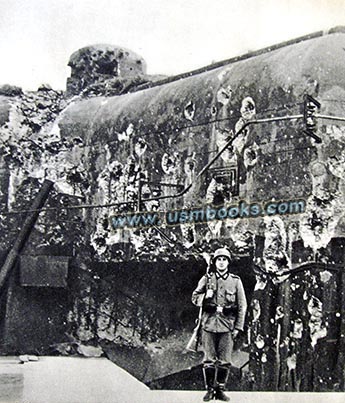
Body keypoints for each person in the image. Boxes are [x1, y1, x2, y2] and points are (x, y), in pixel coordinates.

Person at [192, 248, 247, 401]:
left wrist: (238, 327)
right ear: (215, 262)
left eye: (224, 259)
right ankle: (210, 390)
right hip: (208, 325)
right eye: (218, 259)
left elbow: (242, 306)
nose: (221, 262)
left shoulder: (235, 281)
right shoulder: (207, 279)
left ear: (228, 263)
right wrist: (205, 297)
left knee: (225, 360)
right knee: (209, 360)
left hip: (227, 327)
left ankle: (220, 389)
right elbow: (194, 297)